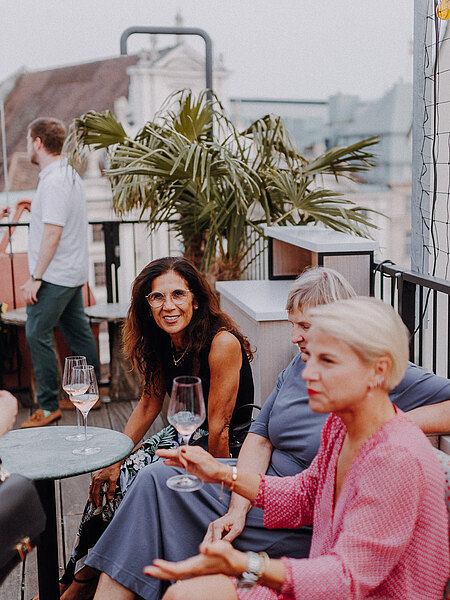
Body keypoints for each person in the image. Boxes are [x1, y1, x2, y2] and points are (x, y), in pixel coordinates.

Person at [86, 267, 450, 600]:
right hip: (319, 566)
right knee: (176, 562)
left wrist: (245, 565)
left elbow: (346, 581)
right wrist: (220, 473)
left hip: (339, 586)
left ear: (378, 371)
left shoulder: (394, 456)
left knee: (188, 593)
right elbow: (305, 495)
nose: (308, 373)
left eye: (327, 360)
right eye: (312, 355)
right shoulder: (341, 427)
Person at [57, 256, 254, 599]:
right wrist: (114, 459)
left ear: (196, 299)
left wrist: (218, 490)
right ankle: (79, 577)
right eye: (157, 297)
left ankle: (81, 584)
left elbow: (220, 428)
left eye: (178, 294)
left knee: (138, 481)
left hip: (225, 446)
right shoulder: (164, 339)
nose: (168, 306)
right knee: (110, 480)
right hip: (182, 433)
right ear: (147, 304)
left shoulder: (221, 343)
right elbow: (148, 404)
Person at [20, 117, 99, 428]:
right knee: (78, 332)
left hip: (54, 275)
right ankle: (89, 394)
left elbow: (53, 233)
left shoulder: (54, 181)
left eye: (29, 140)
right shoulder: (68, 175)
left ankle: (48, 405)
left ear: (38, 142)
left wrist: (36, 277)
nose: (29, 146)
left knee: (36, 333)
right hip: (72, 271)